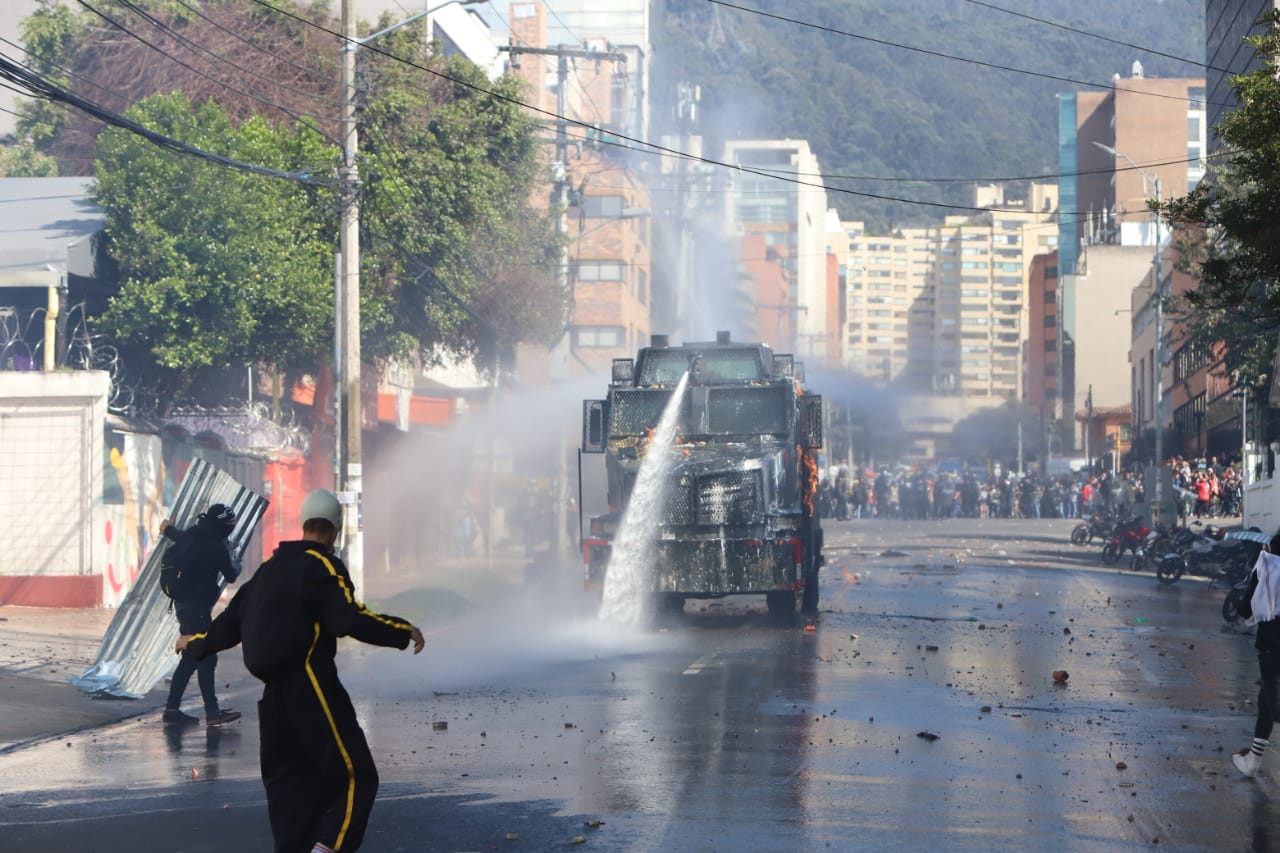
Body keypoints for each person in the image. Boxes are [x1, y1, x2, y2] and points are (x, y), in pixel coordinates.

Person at [176, 489, 425, 853]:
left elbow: (227, 626)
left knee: (291, 796)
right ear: (335, 529)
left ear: (304, 523)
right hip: (311, 686)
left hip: (273, 701)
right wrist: (401, 631)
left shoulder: (267, 571)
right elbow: (348, 618)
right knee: (356, 776)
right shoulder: (321, 565)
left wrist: (192, 642)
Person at [160, 503, 242, 726]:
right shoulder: (216, 547)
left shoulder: (192, 535)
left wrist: (166, 528)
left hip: (184, 605)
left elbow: (172, 533)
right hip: (196, 608)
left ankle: (173, 709)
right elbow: (231, 576)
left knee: (191, 657)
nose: (232, 527)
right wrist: (237, 563)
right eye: (230, 524)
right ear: (222, 525)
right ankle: (212, 712)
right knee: (206, 655)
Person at [1233, 533, 1280, 779]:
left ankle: (1252, 760)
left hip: (1273, 640)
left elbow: (1244, 606)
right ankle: (1253, 759)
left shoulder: (1267, 566)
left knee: (1273, 701)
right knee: (1266, 699)